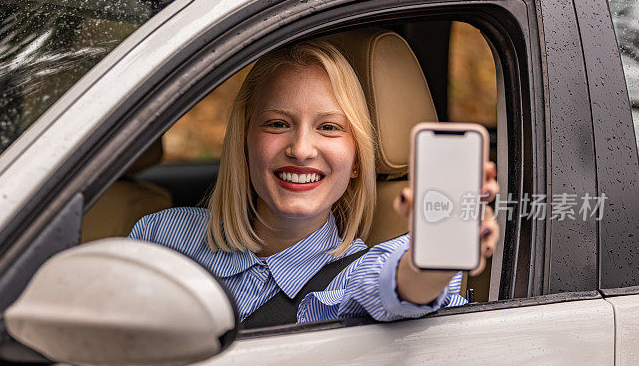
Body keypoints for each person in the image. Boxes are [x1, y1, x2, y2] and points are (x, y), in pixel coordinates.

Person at [129, 40, 500, 326]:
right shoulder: (162, 234)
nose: (302, 149)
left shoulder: (354, 277)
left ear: (356, 161)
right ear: (244, 142)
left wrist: (433, 259)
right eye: (277, 124)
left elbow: (399, 287)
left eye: (329, 128)